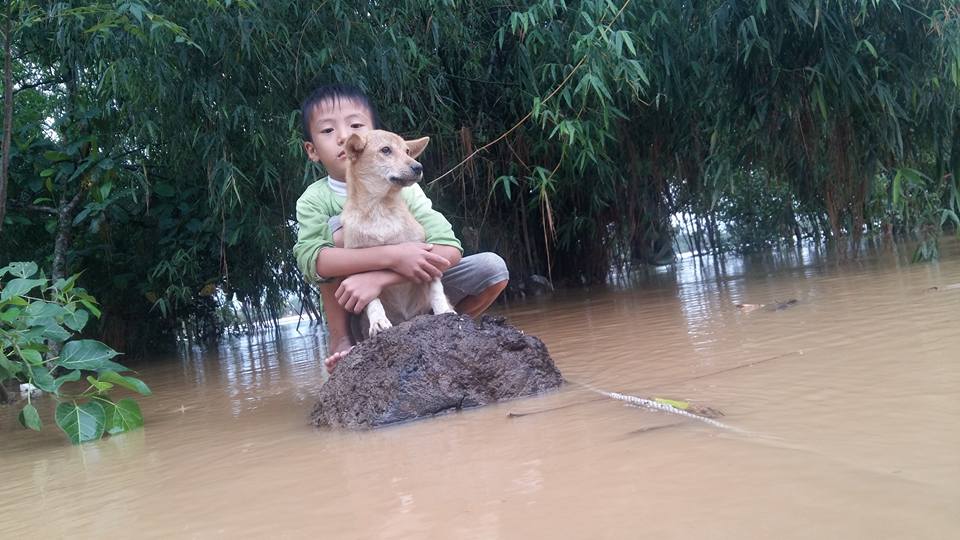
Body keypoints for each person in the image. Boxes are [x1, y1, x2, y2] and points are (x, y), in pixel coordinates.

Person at [293, 84, 509, 372]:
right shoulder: (314, 200)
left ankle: (443, 330)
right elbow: (313, 262)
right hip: (363, 309)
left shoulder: (406, 190)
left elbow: (450, 247)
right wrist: (395, 257)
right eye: (328, 131)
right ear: (312, 150)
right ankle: (342, 341)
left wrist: (383, 277)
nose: (344, 136)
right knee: (335, 231)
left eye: (355, 125)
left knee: (492, 268)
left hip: (418, 293)